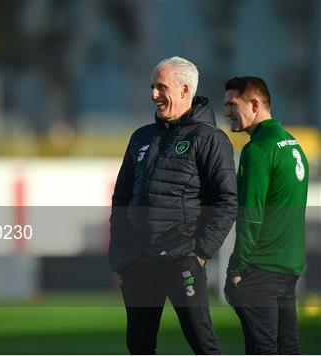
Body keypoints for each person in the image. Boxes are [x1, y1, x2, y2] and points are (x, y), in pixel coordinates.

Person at [108, 56, 237, 354]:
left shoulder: (210, 139)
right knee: (139, 344)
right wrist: (122, 249)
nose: (154, 94)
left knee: (202, 342)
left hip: (182, 258)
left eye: (161, 87)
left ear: (184, 90)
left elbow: (227, 201)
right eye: (152, 86)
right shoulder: (141, 137)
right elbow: (121, 198)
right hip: (138, 261)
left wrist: (201, 253)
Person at [223, 76, 308, 354]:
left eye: (232, 104)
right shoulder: (292, 143)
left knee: (263, 349)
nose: (226, 112)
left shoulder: (258, 149)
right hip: (288, 268)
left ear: (255, 104)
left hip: (260, 269)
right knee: (288, 347)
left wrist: (236, 267)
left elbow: (252, 216)